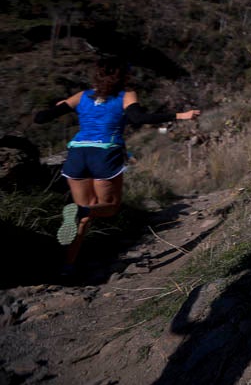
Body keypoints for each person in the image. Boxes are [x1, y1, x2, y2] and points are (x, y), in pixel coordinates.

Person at [34, 56, 200, 272]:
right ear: (123, 75)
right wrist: (181, 115)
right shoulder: (126, 95)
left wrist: (57, 107)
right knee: (109, 207)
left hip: (77, 154)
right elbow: (139, 118)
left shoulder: (82, 96)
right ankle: (79, 216)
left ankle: (68, 264)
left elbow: (40, 118)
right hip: (104, 154)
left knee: (86, 214)